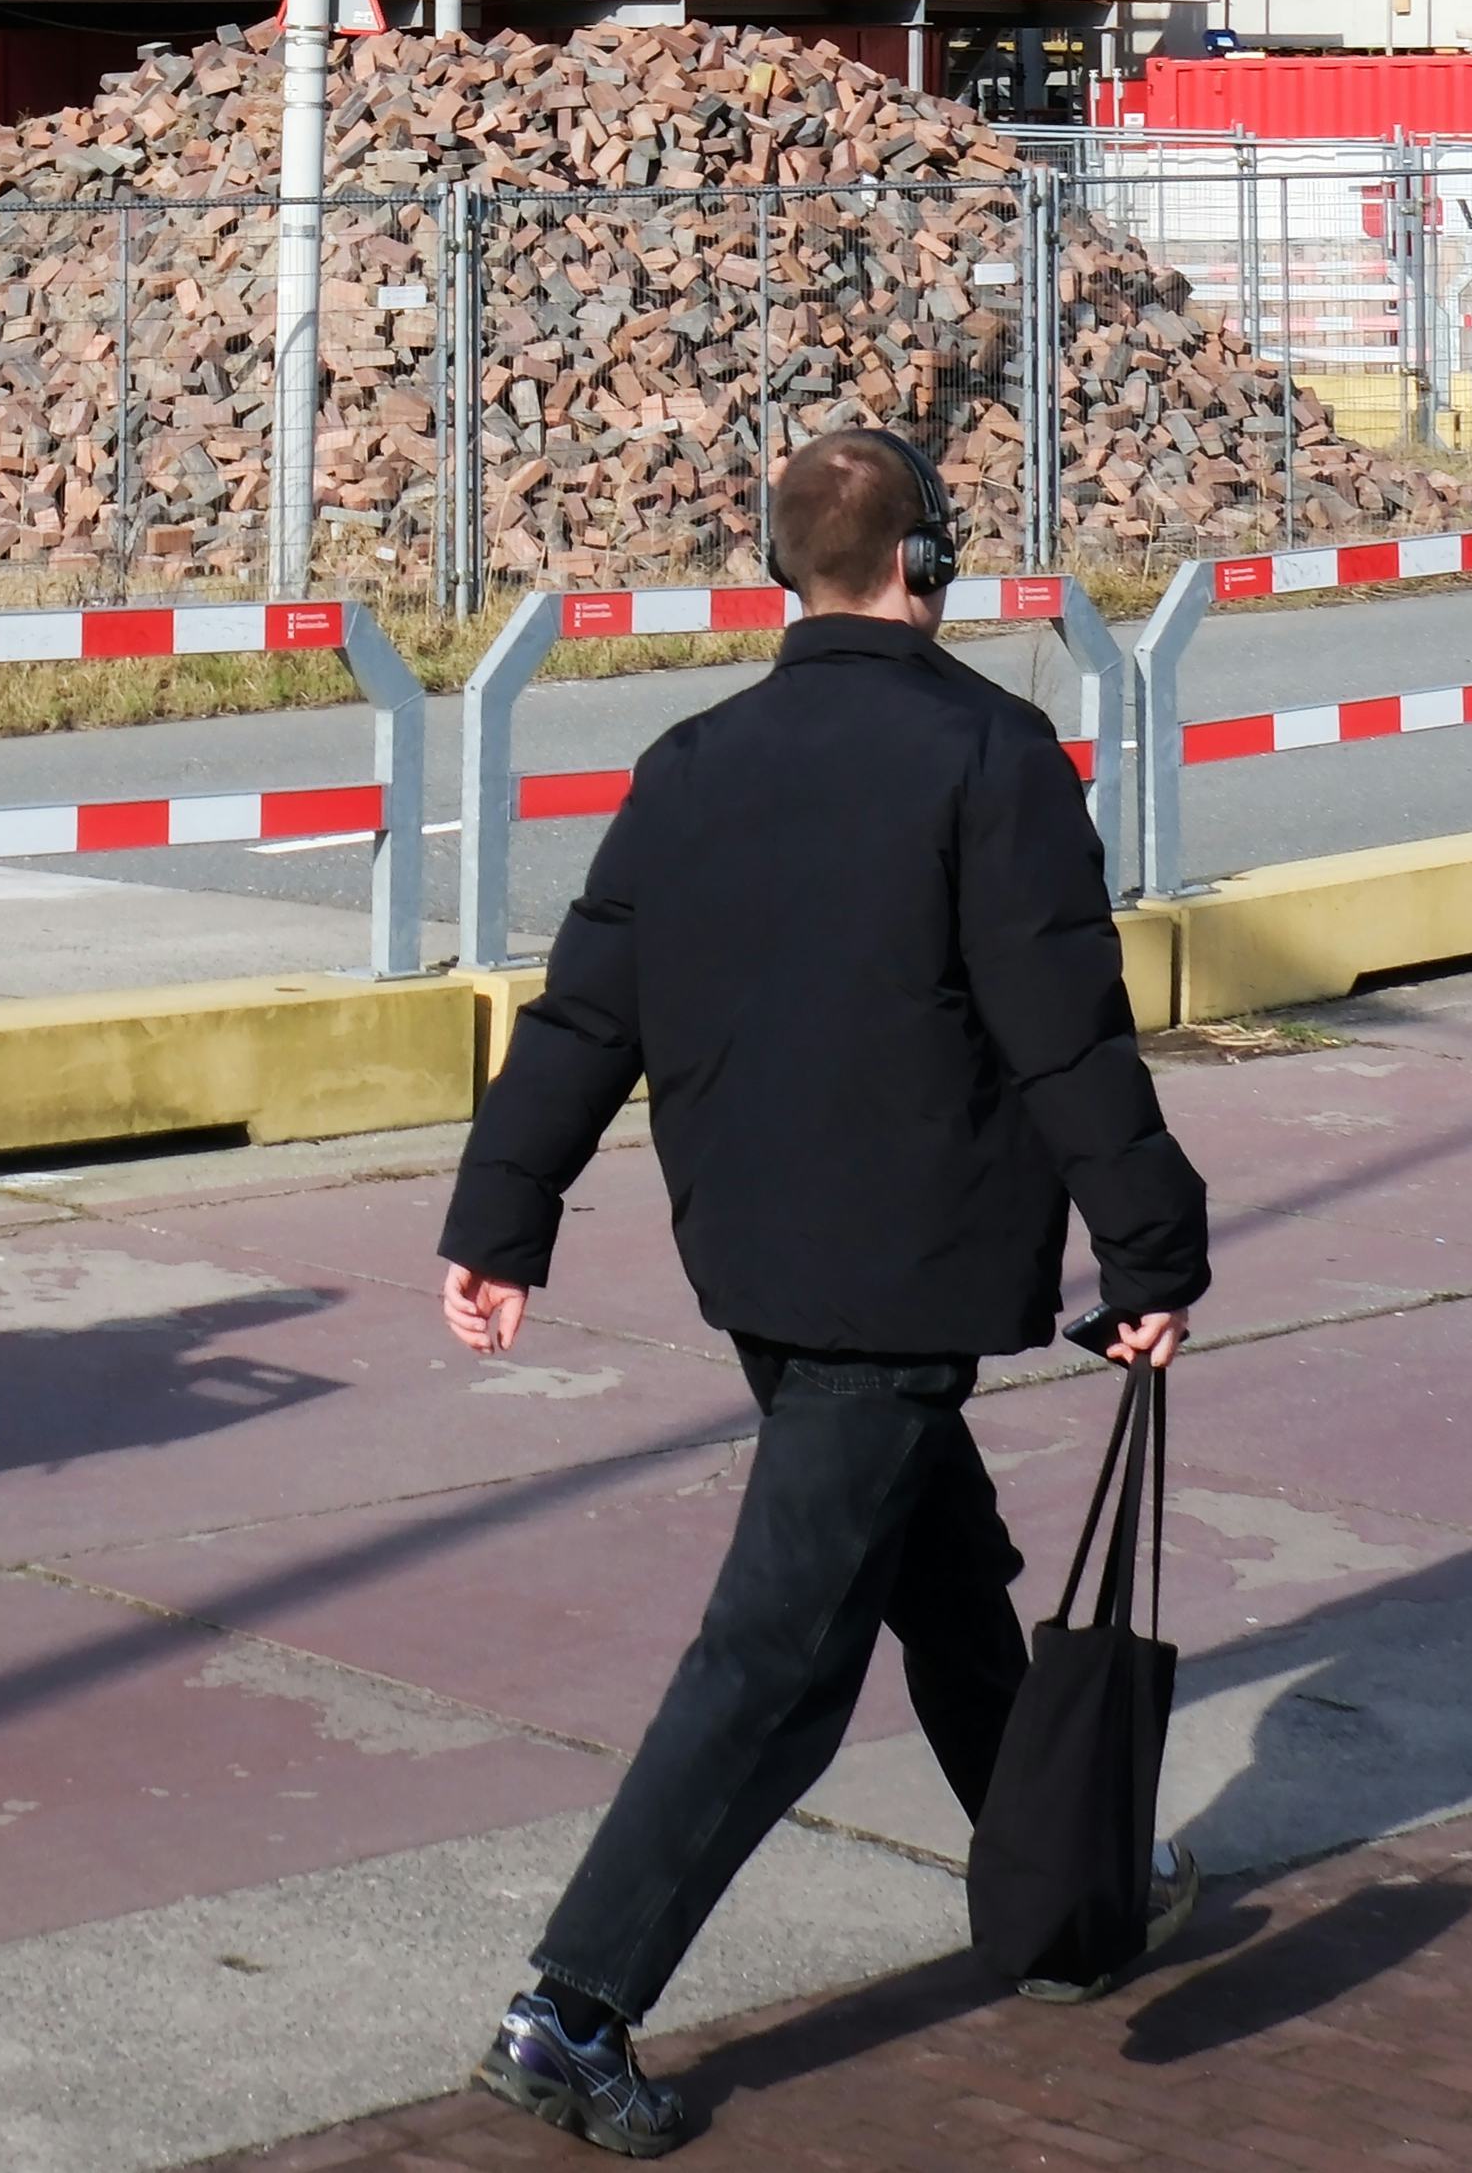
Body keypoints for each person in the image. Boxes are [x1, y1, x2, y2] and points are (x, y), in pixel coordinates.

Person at [436, 421, 1213, 2154]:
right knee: (777, 1663)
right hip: (900, 1276)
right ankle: (570, 2008)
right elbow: (1062, 1033)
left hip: (755, 1263)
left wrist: (499, 1222)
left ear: (778, 567)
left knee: (942, 1584)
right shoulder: (990, 754)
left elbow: (582, 1019)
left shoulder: (690, 760)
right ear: (925, 566)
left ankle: (1079, 1885)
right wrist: (1151, 1248)